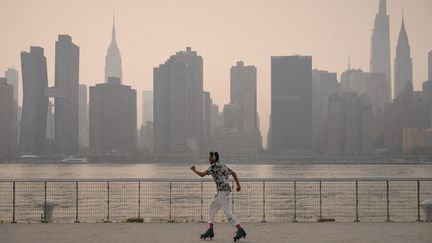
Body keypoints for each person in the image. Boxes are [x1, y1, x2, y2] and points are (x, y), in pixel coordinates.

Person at [190, 151, 247, 242]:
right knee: (212, 208)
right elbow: (234, 173)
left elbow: (201, 175)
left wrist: (193, 170)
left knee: (227, 211)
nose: (208, 159)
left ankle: (240, 229)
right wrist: (238, 185)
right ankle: (210, 230)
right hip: (224, 191)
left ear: (213, 158)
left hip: (222, 192)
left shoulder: (212, 168)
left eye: (209, 157)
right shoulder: (223, 166)